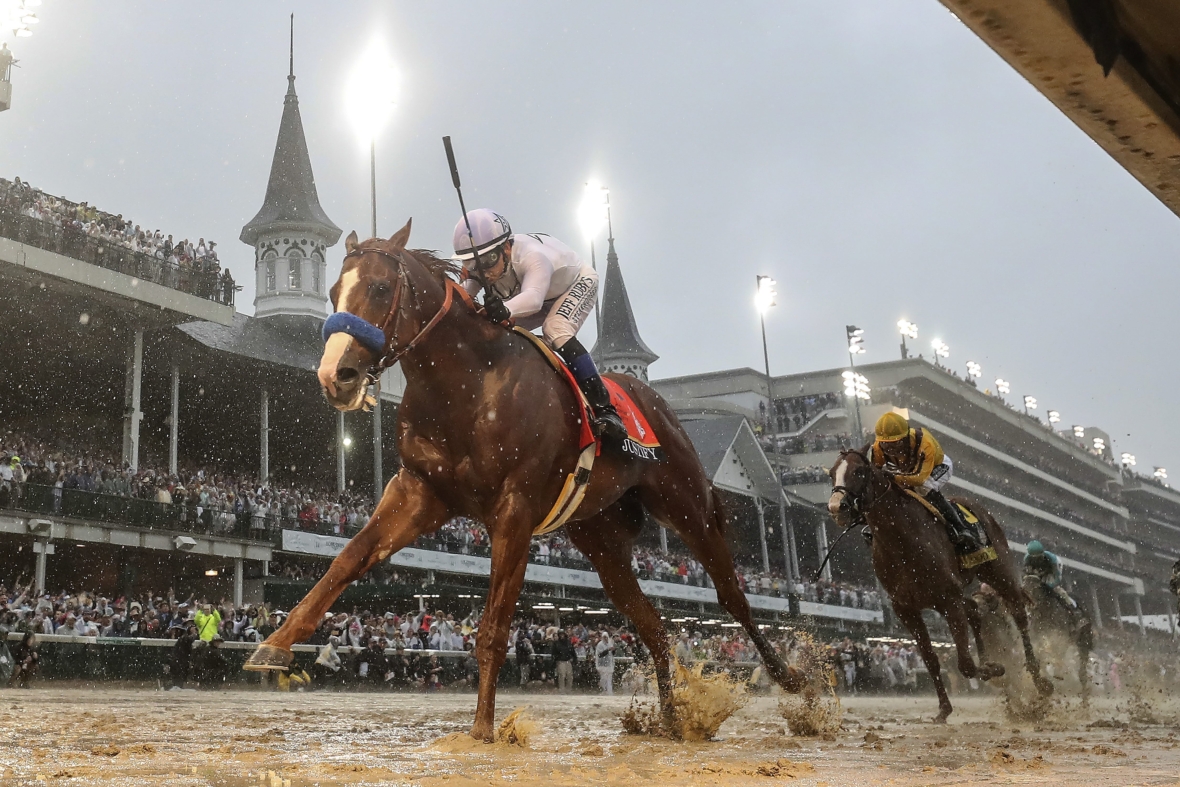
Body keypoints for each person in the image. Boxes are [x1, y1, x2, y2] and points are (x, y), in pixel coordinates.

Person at [453, 209, 626, 441]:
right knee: (494, 330)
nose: (483, 271)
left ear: (506, 248)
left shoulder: (533, 256)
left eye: (488, 260)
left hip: (573, 284)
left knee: (555, 330)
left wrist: (504, 309)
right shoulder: (483, 267)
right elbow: (461, 302)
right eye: (473, 264)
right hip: (535, 294)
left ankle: (605, 409)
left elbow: (533, 299)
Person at [870, 412, 980, 552]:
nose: (891, 450)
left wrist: (895, 477)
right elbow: (875, 475)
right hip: (907, 470)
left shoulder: (924, 443)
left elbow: (919, 478)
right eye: (886, 444)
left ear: (906, 437)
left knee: (924, 487)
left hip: (937, 466)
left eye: (896, 443)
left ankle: (961, 528)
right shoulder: (878, 448)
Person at [1023, 540, 1086, 632]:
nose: (1037, 560)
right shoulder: (1026, 559)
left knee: (1060, 592)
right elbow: (1026, 575)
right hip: (1038, 575)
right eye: (1034, 559)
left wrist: (1048, 585)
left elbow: (1057, 578)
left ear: (1042, 554)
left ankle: (1075, 614)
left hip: (1051, 572)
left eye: (1039, 558)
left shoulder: (1052, 560)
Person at [551, 629, 577, 693]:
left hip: (568, 660)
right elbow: (553, 653)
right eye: (560, 634)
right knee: (562, 676)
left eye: (562, 634)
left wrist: (574, 658)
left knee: (569, 676)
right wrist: (555, 660)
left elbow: (572, 651)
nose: (561, 635)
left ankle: (568, 690)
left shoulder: (568, 642)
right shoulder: (556, 643)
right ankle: (561, 689)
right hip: (560, 661)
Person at [594, 631, 615, 695]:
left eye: (606, 637)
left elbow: (612, 654)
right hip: (602, 665)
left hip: (609, 664)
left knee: (609, 680)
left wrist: (613, 650)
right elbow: (600, 655)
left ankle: (609, 692)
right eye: (604, 637)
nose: (605, 638)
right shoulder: (600, 644)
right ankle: (604, 690)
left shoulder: (610, 644)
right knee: (603, 679)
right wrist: (608, 650)